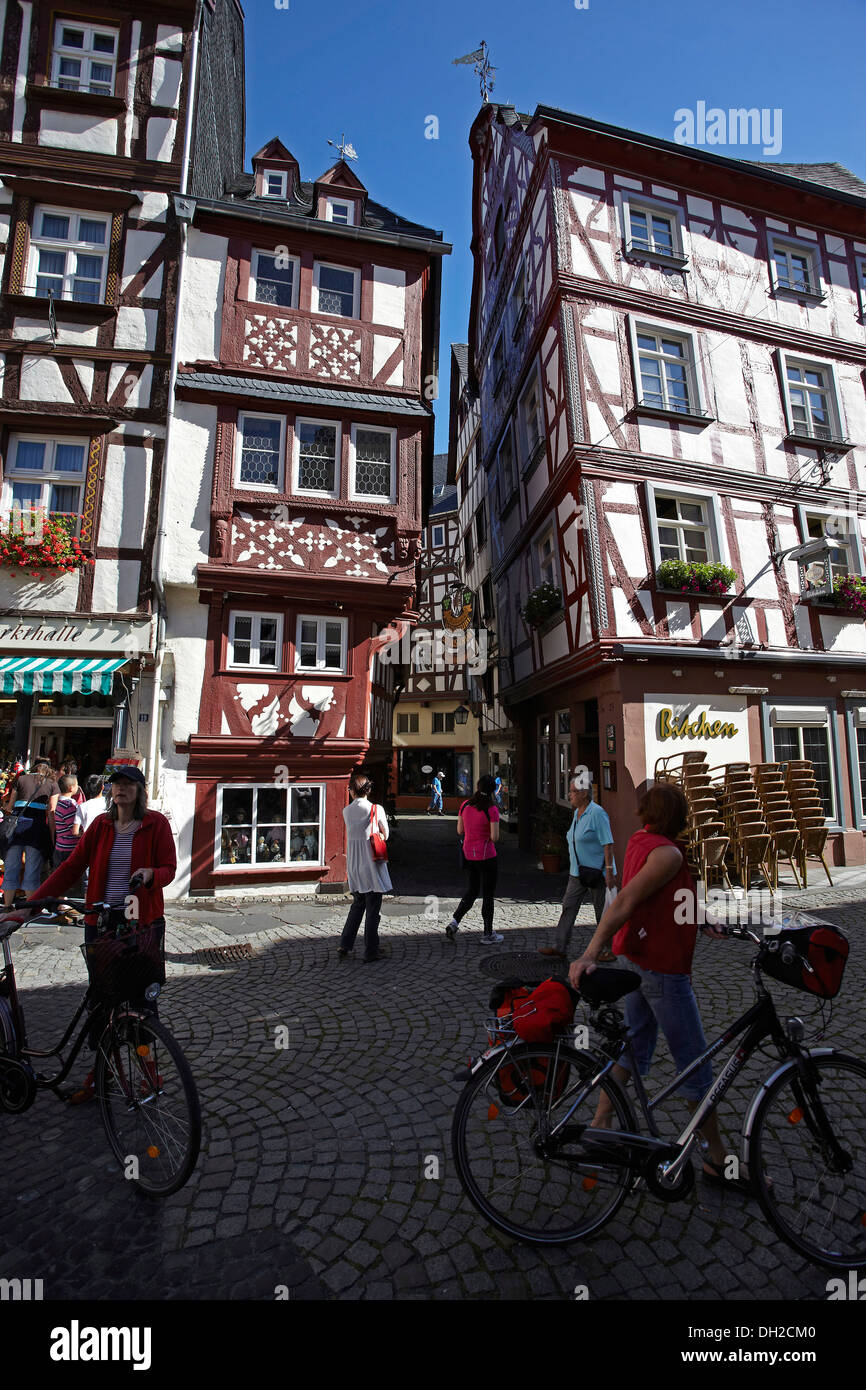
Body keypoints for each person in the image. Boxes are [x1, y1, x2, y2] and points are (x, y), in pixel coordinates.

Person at [568, 781, 745, 1191]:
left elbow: (660, 898)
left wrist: (700, 918)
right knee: (695, 1063)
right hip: (663, 971)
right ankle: (718, 1159)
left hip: (641, 962)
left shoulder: (642, 842)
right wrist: (591, 952)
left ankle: (600, 1122)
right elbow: (628, 900)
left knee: (635, 1046)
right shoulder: (666, 852)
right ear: (679, 816)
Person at [30, 764, 177, 1103]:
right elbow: (71, 867)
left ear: (140, 790)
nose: (121, 790)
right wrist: (34, 905)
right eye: (117, 785)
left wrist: (151, 874)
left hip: (139, 925)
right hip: (101, 924)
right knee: (102, 1003)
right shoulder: (101, 825)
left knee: (140, 1004)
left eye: (128, 784)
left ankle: (147, 1074)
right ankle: (103, 1075)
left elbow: (169, 868)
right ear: (110, 791)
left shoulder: (156, 824)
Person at [540, 777, 616, 961]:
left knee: (602, 912)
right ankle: (560, 947)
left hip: (597, 873)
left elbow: (608, 843)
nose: (569, 795)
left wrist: (608, 870)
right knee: (569, 906)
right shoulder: (577, 813)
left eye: (573, 791)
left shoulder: (597, 813)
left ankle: (609, 950)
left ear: (584, 793)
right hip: (577, 872)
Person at [339, 772, 391, 962]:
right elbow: (385, 834)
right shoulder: (376, 809)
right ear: (367, 790)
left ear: (352, 791)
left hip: (354, 864)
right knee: (372, 909)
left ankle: (345, 944)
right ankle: (371, 951)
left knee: (357, 905)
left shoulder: (346, 811)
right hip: (371, 864)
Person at [445, 773, 502, 944]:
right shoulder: (492, 809)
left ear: (478, 787)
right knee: (488, 894)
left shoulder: (465, 805)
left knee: (472, 890)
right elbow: (495, 837)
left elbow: (460, 831)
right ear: (493, 790)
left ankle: (454, 922)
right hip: (487, 855)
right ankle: (487, 933)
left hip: (469, 854)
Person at [1, 760, 61, 907]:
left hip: (15, 830)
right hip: (36, 830)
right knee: (32, 871)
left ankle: (7, 906)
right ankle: (28, 908)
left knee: (11, 869)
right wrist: (53, 836)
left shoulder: (20, 779)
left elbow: (10, 806)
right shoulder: (52, 784)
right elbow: (51, 813)